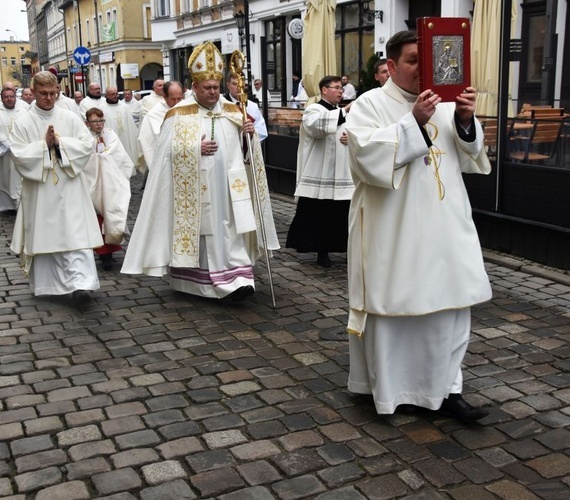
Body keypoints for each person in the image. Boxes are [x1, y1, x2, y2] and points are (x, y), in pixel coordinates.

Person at [345, 30, 492, 423]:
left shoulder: (446, 104)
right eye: (413, 61)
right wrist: (412, 122)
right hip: (394, 230)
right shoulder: (368, 104)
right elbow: (365, 159)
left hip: (446, 228)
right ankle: (395, 393)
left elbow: (471, 156)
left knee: (449, 308)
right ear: (391, 66)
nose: (423, 70)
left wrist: (464, 121)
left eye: (428, 61)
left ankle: (447, 390)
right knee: (398, 308)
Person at [122, 41, 279, 301]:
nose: (213, 92)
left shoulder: (234, 111)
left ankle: (238, 279)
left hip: (230, 189)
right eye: (207, 88)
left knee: (231, 228)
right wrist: (194, 148)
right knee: (206, 232)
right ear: (194, 87)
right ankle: (202, 282)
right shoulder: (178, 114)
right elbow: (164, 156)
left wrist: (247, 136)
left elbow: (246, 154)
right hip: (196, 191)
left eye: (216, 87)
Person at [9, 71, 103, 305]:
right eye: (43, 94)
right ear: (34, 92)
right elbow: (18, 155)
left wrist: (60, 143)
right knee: (47, 234)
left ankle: (81, 284)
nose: (49, 98)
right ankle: (49, 283)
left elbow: (85, 145)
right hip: (41, 192)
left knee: (75, 232)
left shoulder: (69, 118)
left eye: (53, 93)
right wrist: (44, 146)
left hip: (70, 187)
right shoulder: (23, 122)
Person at [286, 76, 353, 267]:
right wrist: (344, 111)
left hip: (342, 172)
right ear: (324, 89)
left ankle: (348, 249)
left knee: (343, 213)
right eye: (337, 88)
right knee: (320, 214)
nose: (341, 91)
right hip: (320, 172)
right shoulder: (313, 109)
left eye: (342, 88)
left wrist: (352, 137)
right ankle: (321, 252)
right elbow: (316, 128)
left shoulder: (344, 112)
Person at [83, 108, 133, 271]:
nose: (99, 125)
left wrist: (105, 158)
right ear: (87, 123)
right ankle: (99, 252)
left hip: (111, 183)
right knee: (96, 219)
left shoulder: (111, 135)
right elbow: (84, 159)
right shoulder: (84, 138)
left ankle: (108, 254)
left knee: (111, 215)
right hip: (93, 184)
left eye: (101, 121)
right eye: (95, 121)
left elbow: (120, 156)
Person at [98, 86, 139, 172]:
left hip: (124, 138)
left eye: (116, 93)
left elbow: (130, 125)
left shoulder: (124, 107)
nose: (116, 95)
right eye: (113, 94)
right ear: (107, 95)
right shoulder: (101, 108)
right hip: (109, 140)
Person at [0, 87, 26, 213]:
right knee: (5, 178)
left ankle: (21, 203)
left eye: (11, 96)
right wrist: (8, 143)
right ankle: (7, 206)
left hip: (22, 150)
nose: (9, 99)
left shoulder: (24, 110)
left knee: (19, 178)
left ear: (16, 97)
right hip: (5, 151)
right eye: (6, 97)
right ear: (2, 98)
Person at [224, 74, 267, 141]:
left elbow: (262, 131)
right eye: (234, 84)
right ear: (228, 85)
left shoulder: (252, 106)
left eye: (241, 84)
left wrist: (253, 132)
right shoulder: (222, 104)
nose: (238, 87)